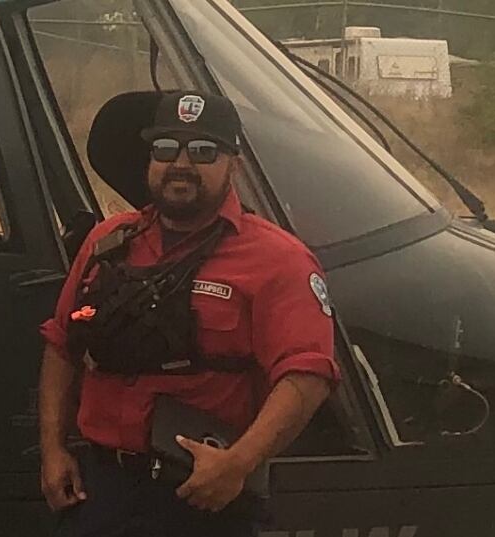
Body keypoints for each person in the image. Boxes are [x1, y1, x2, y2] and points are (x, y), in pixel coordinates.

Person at [38, 91, 340, 537]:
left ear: (232, 164)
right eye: (166, 149)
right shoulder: (108, 243)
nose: (181, 163)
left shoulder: (279, 259)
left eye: (202, 151)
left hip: (202, 495)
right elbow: (61, 343)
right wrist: (52, 449)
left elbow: (307, 374)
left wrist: (238, 464)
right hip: (102, 491)